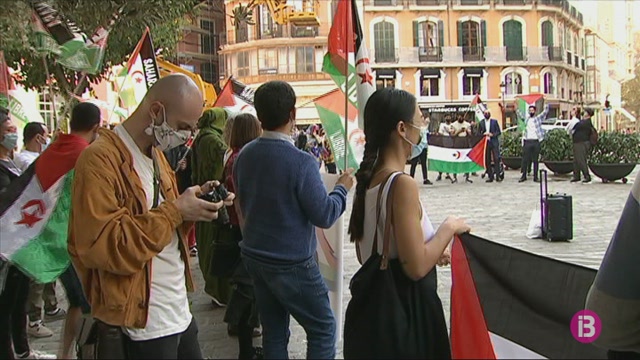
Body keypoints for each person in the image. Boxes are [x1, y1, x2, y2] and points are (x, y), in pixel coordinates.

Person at [68, 74, 232, 359]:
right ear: (156, 111)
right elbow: (104, 245)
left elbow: (163, 227)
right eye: (183, 127)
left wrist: (195, 205)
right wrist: (176, 210)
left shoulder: (156, 155)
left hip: (178, 312)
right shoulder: (99, 160)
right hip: (141, 323)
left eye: (192, 129)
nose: (186, 137)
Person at [234, 80, 354, 359]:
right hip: (291, 263)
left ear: (259, 115)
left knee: (274, 332)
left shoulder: (244, 156)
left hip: (255, 257)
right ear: (293, 114)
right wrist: (342, 189)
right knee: (323, 327)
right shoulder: (301, 162)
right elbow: (324, 214)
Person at [347, 88, 470, 358]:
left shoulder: (369, 181)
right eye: (419, 121)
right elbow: (414, 268)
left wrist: (433, 250)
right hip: (408, 318)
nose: (422, 128)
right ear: (402, 128)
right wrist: (448, 228)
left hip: (374, 321)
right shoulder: (402, 184)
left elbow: (368, 254)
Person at [0, 108, 55, 359]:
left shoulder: (9, 163)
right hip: (5, 248)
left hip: (18, 247)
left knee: (16, 303)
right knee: (5, 306)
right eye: (9, 130)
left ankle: (22, 350)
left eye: (13, 129)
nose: (13, 134)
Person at [52, 102, 102, 359]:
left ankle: (65, 353)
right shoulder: (87, 154)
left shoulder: (55, 147)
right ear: (96, 126)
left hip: (50, 240)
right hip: (72, 240)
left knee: (76, 300)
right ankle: (82, 352)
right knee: (84, 301)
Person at [223, 113, 264, 359]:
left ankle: (246, 348)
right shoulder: (243, 159)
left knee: (247, 290)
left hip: (238, 227)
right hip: (246, 231)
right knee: (248, 291)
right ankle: (246, 350)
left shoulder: (233, 156)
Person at [191, 107, 233, 307]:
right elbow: (220, 168)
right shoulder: (214, 141)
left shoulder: (200, 138)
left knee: (206, 244)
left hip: (201, 193)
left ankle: (212, 285)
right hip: (213, 195)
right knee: (215, 245)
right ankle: (218, 288)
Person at [517, 104, 549, 183]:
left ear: (535, 111)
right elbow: (519, 115)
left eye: (532, 110)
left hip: (535, 141)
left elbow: (545, 112)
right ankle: (523, 176)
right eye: (530, 110)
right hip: (527, 141)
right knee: (525, 160)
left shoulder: (538, 119)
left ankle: (535, 177)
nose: (531, 112)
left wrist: (546, 102)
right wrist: (516, 105)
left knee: (535, 160)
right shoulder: (526, 119)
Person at [570, 108, 595, 183]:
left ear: (588, 114)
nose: (583, 113)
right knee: (576, 160)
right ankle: (576, 175)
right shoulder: (583, 121)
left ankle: (587, 176)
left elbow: (576, 126)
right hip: (577, 142)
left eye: (585, 112)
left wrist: (575, 116)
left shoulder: (586, 122)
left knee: (581, 160)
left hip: (582, 143)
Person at [477, 110, 502, 183]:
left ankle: (498, 176)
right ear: (484, 114)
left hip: (494, 142)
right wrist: (483, 134)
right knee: (487, 159)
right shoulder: (481, 123)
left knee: (496, 159)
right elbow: (478, 133)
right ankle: (490, 176)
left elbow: (498, 132)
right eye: (485, 113)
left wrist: (492, 134)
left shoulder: (494, 121)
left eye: (488, 113)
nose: (487, 114)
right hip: (485, 143)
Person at [449, 114, 472, 184]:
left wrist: (467, 131)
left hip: (465, 143)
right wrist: (458, 131)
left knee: (466, 159)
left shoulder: (467, 124)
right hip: (457, 142)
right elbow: (452, 135)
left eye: (462, 116)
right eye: (459, 116)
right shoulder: (453, 125)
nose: (460, 117)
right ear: (457, 117)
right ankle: (454, 176)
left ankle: (467, 176)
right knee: (456, 159)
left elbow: (470, 135)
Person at [436, 116, 453, 182]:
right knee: (442, 159)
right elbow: (440, 133)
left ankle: (448, 173)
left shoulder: (452, 125)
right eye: (447, 117)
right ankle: (440, 174)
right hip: (443, 143)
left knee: (448, 159)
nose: (448, 118)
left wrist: (450, 132)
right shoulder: (442, 125)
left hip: (450, 144)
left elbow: (453, 133)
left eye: (449, 117)